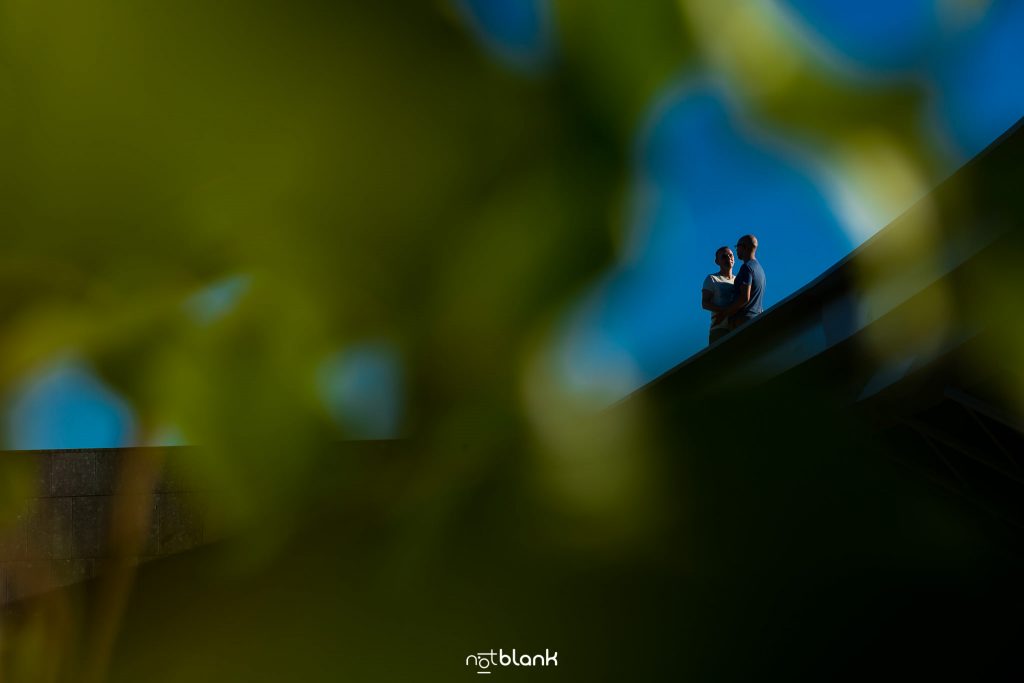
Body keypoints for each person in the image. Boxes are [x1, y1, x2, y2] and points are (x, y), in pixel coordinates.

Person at [714, 234, 765, 331]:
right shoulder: (760, 269)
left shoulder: (747, 268)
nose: (736, 250)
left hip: (744, 322)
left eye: (737, 247)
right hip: (755, 320)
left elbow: (744, 298)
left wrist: (724, 314)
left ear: (744, 247)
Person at [701, 246, 735, 344]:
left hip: (736, 326)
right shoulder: (712, 279)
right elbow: (705, 303)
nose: (728, 258)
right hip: (719, 329)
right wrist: (725, 311)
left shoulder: (738, 280)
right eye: (724, 256)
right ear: (717, 261)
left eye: (731, 255)